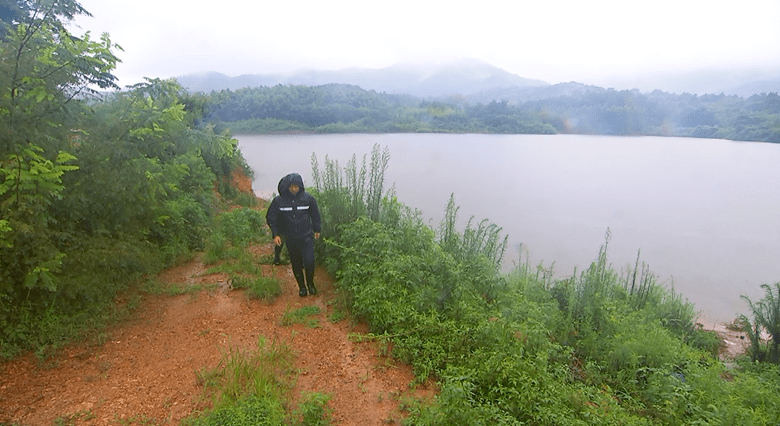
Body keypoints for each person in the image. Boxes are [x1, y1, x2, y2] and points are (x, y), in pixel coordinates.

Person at [266, 173, 321, 297]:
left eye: (296, 186)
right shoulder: (279, 201)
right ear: (287, 187)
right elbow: (271, 217)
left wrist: (317, 229)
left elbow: (315, 215)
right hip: (291, 239)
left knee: (309, 261)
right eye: (291, 187)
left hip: (306, 236)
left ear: (300, 186)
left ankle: (311, 284)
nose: (294, 189)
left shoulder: (308, 199)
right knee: (296, 263)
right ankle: (302, 287)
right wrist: (276, 234)